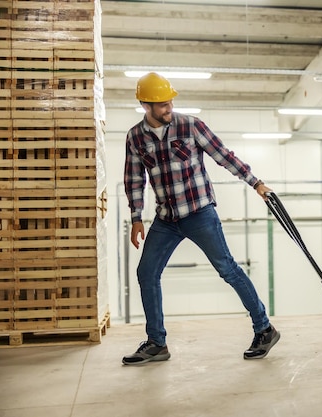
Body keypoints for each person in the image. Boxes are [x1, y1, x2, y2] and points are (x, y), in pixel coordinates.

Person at [122, 72, 279, 365]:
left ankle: (264, 329)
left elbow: (224, 156)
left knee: (228, 269)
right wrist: (136, 218)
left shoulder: (191, 125)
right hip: (166, 218)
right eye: (161, 105)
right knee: (146, 273)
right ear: (145, 105)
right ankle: (157, 342)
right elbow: (133, 178)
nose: (168, 108)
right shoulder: (135, 137)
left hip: (199, 212)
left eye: (169, 102)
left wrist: (256, 183)